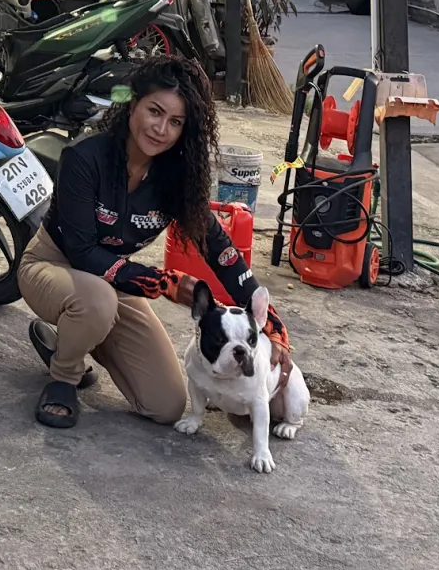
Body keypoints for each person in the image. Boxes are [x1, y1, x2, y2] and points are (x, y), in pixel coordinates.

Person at [17, 56, 290, 429]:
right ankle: (65, 375)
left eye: (175, 122)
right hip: (53, 265)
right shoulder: (84, 157)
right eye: (155, 111)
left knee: (165, 406)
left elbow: (224, 256)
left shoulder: (176, 177)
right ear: (133, 104)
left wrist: (274, 329)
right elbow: (82, 252)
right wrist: (166, 283)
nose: (161, 129)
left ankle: (69, 340)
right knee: (96, 301)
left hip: (115, 283)